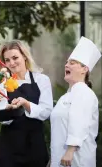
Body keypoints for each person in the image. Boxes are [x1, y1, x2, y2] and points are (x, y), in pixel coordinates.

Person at [0, 40, 53, 167]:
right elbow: (0, 115)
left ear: (25, 56)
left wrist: (26, 104)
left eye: (15, 58)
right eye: (7, 60)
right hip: (8, 149)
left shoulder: (41, 80)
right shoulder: (1, 83)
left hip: (35, 146)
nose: (11, 63)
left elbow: (46, 112)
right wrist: (8, 111)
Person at [50, 36, 101, 167]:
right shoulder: (65, 97)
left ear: (85, 69)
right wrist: (53, 159)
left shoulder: (84, 92)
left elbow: (79, 122)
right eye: (67, 62)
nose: (66, 65)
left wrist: (71, 150)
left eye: (72, 63)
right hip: (60, 159)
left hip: (76, 159)